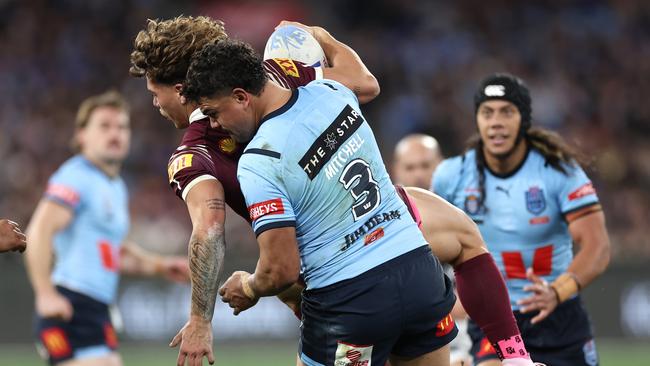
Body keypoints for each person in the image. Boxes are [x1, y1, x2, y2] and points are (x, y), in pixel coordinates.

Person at [182, 38, 458, 366]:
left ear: (242, 97)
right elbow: (365, 79)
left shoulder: (260, 160)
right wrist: (319, 35)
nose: (214, 125)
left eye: (214, 112)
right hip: (419, 273)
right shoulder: (333, 92)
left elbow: (281, 270)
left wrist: (251, 286)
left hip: (352, 302)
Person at [128, 16, 379, 365]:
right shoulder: (273, 75)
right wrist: (320, 34)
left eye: (156, 94)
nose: (156, 104)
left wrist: (201, 320)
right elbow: (364, 86)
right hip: (385, 234)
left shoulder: (193, 156)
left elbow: (209, 230)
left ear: (182, 90)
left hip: (334, 283)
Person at [432, 73, 611, 366]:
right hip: (493, 319)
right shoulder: (451, 176)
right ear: (477, 120)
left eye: (507, 112)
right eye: (487, 113)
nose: (496, 121)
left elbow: (597, 247)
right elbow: (428, 250)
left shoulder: (558, 172)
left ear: (523, 120)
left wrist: (557, 291)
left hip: (558, 316)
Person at [24, 91, 190, 366]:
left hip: (96, 309)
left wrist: (160, 266)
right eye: (104, 126)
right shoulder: (76, 176)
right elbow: (40, 231)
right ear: (81, 136)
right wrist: (45, 293)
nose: (115, 133)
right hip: (70, 305)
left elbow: (113, 253)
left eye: (122, 127)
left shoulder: (114, 186)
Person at [392, 135, 471, 366]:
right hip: (407, 328)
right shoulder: (383, 220)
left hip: (465, 328)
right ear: (396, 169)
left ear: (441, 166)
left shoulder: (466, 210)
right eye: (410, 167)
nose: (418, 174)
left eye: (426, 165)